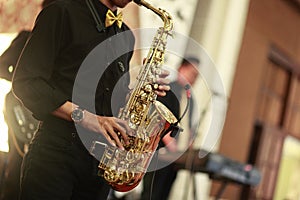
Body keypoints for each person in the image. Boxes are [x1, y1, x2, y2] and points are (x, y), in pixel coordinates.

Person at [11, 0, 170, 199]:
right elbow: (26, 83)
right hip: (56, 154)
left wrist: (141, 90)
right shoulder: (61, 12)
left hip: (99, 166)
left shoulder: (126, 36)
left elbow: (114, 97)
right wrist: (86, 117)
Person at [0, 1, 56, 200]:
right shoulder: (26, 37)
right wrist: (23, 81)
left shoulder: (59, 44)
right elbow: (1, 66)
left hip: (48, 112)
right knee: (19, 158)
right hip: (21, 108)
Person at [141, 56, 200, 200]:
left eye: (196, 76)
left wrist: (189, 142)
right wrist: (169, 142)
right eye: (192, 74)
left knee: (164, 194)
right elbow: (158, 118)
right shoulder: (168, 89)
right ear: (181, 68)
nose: (194, 79)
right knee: (151, 194)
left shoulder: (190, 98)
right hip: (160, 152)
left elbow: (188, 124)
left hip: (176, 156)